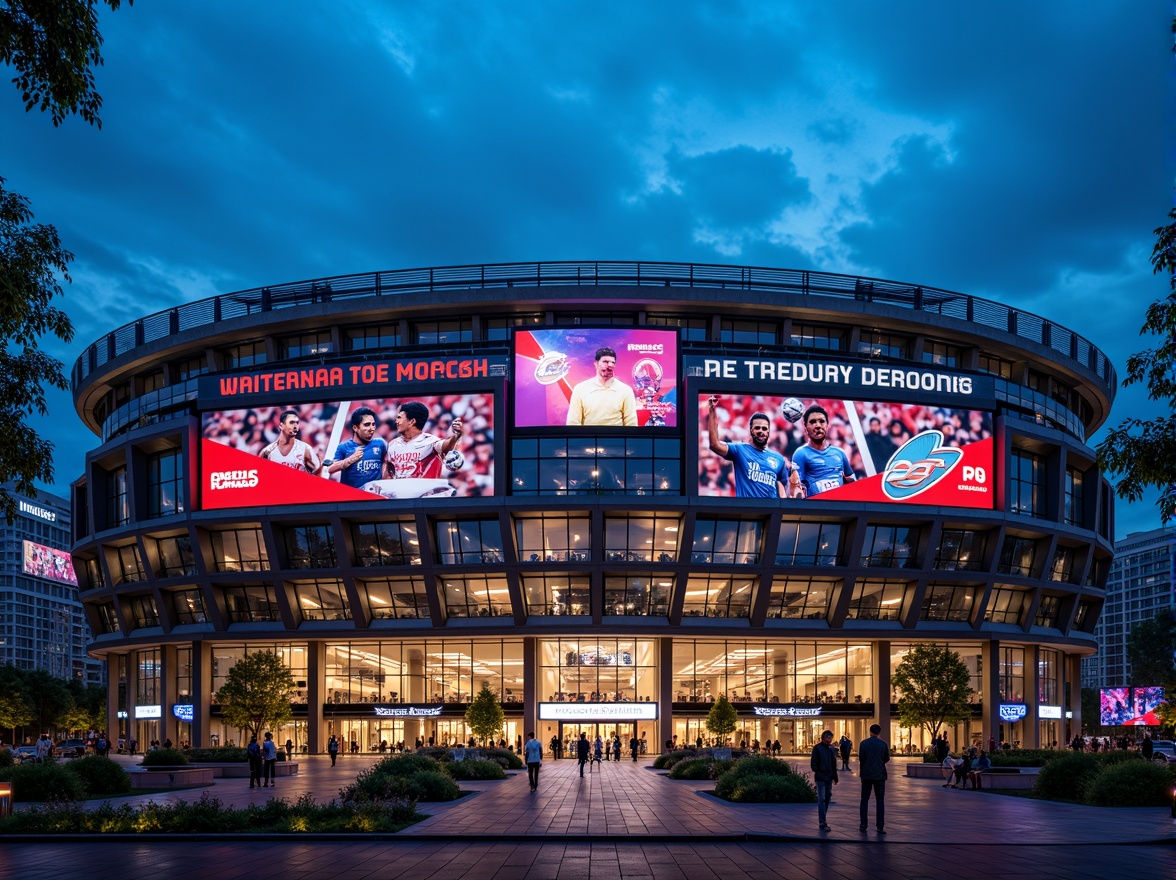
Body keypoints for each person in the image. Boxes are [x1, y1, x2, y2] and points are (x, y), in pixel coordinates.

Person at [706, 396, 793, 498]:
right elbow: (714, 444)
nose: (761, 431)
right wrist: (712, 411)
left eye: (764, 428)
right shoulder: (739, 450)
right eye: (757, 428)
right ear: (751, 430)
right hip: (747, 511)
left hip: (771, 511)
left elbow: (785, 485)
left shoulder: (778, 458)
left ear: (768, 432)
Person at [386, 400, 464, 479]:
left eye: (399, 417)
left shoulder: (430, 441)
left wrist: (456, 436)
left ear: (412, 422)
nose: (396, 421)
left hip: (425, 490)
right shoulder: (392, 445)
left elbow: (445, 447)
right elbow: (388, 474)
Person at [792, 404, 857, 498]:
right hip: (817, 509)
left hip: (840, 507)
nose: (818, 425)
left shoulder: (840, 453)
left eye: (822, 421)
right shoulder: (801, 454)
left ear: (827, 426)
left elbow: (852, 482)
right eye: (813, 422)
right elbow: (795, 488)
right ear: (805, 427)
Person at [566, 347, 637, 427]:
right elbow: (573, 423)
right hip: (589, 438)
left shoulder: (625, 391)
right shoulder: (580, 389)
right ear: (596, 364)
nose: (609, 365)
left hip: (616, 438)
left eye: (612, 362)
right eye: (605, 362)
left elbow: (631, 423)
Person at [327, 407, 387, 488]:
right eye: (367, 425)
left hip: (375, 496)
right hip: (354, 496)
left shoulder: (380, 444)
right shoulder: (344, 447)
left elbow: (387, 463)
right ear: (355, 428)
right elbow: (330, 469)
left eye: (373, 424)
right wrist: (349, 460)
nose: (372, 428)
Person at [259, 410, 322, 474]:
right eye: (291, 422)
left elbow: (318, 473)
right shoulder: (267, 452)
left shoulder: (305, 449)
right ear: (281, 425)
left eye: (297, 423)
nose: (294, 426)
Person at [857, 723, 889, 833]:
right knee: (880, 800)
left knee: (864, 800)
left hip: (866, 775)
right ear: (879, 732)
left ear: (870, 731)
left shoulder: (863, 744)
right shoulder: (883, 744)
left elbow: (861, 758)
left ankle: (863, 824)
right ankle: (880, 826)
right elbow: (886, 758)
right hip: (880, 775)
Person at [809, 729, 839, 832]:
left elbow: (833, 764)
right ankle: (822, 821)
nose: (829, 740)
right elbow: (813, 764)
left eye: (831, 738)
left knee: (827, 799)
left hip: (829, 778)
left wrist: (835, 777)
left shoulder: (831, 750)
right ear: (823, 738)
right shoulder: (817, 748)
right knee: (821, 799)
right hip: (821, 778)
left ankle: (823, 818)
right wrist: (820, 771)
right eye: (828, 737)